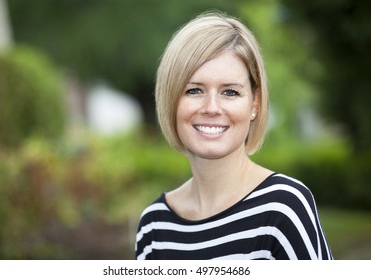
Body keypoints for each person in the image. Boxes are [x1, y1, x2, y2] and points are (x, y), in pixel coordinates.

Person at [135, 11, 333, 260]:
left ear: (255, 103)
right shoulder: (154, 226)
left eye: (230, 92)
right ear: (170, 100)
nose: (211, 108)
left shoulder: (284, 207)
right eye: (194, 90)